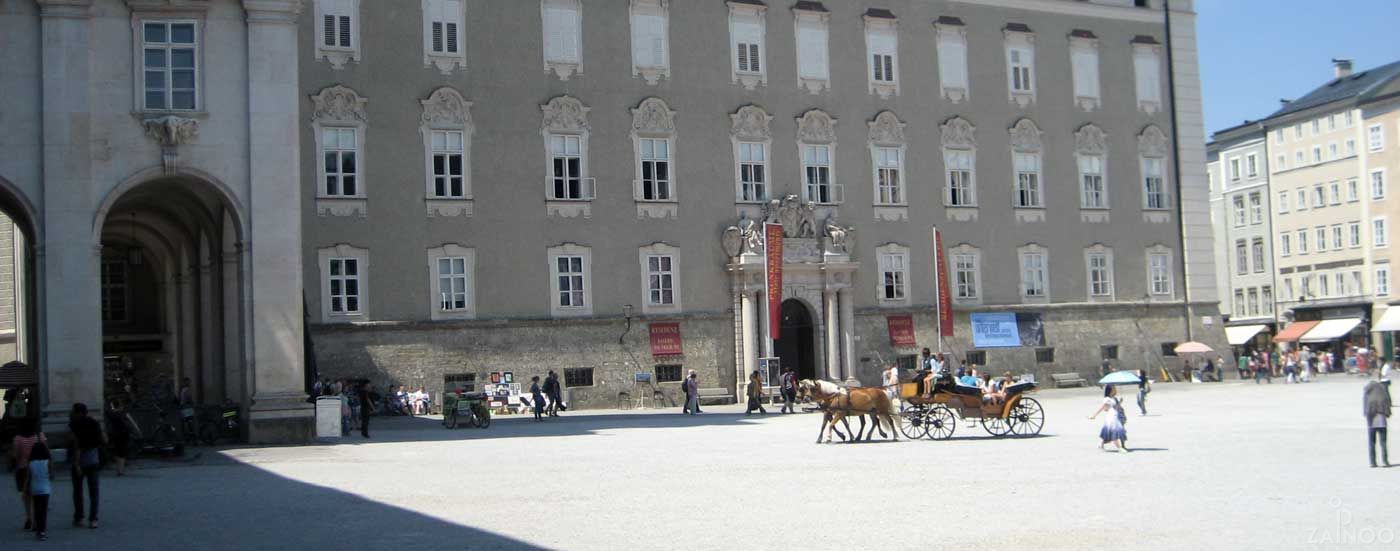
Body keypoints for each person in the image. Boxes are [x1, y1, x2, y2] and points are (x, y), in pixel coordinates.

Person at [69, 403, 103, 529]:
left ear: (77, 412)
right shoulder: (95, 423)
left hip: (79, 461)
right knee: (94, 492)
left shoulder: (74, 424)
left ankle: (79, 517)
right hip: (93, 459)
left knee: (78, 491)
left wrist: (76, 463)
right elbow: (103, 440)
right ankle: (93, 519)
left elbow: (76, 444)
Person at [10, 418, 45, 532]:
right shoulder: (39, 436)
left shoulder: (18, 439)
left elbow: (15, 455)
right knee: (36, 495)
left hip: (23, 468)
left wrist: (13, 466)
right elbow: (46, 451)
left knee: (26, 495)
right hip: (37, 468)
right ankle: (36, 520)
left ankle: (29, 517)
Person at [1089, 385, 1128, 453]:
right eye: (1114, 389)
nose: (1115, 390)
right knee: (1114, 432)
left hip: (1116, 416)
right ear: (1110, 390)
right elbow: (1103, 408)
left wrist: (1120, 402)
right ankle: (1119, 448)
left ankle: (1101, 445)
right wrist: (1094, 415)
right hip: (1111, 417)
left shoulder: (1113, 398)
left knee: (1110, 433)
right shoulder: (1107, 399)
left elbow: (1116, 407)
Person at [27, 441, 52, 541]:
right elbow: (51, 474)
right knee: (43, 511)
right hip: (45, 489)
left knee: (37, 510)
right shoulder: (48, 462)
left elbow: (29, 477)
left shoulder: (30, 463)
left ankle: (37, 529)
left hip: (35, 489)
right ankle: (42, 531)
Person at [1365, 379, 1391, 468]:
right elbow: (1388, 406)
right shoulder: (1383, 394)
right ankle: (1385, 461)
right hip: (1382, 421)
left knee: (1371, 442)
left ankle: (1373, 462)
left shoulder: (1368, 394)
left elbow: (1366, 409)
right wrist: (1387, 414)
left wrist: (1367, 416)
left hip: (1371, 421)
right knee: (1383, 442)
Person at [104, 399, 134, 476]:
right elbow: (132, 422)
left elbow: (107, 424)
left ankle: (118, 469)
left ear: (112, 405)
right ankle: (121, 470)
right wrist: (137, 430)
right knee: (123, 450)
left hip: (115, 433)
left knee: (117, 450)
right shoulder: (124, 412)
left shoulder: (111, 414)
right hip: (125, 433)